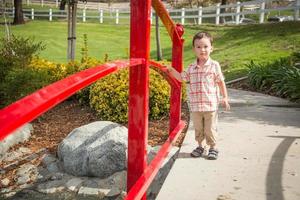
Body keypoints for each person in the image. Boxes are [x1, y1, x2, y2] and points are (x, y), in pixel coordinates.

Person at [167, 32, 230, 160]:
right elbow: (181, 78)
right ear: (194, 49)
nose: (202, 50)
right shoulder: (191, 67)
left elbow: (220, 81)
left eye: (206, 46)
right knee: (198, 128)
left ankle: (213, 147)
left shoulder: (214, 65)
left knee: (210, 129)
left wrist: (225, 97)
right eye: (199, 47)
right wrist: (171, 71)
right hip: (195, 105)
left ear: (211, 48)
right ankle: (200, 146)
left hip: (210, 105)